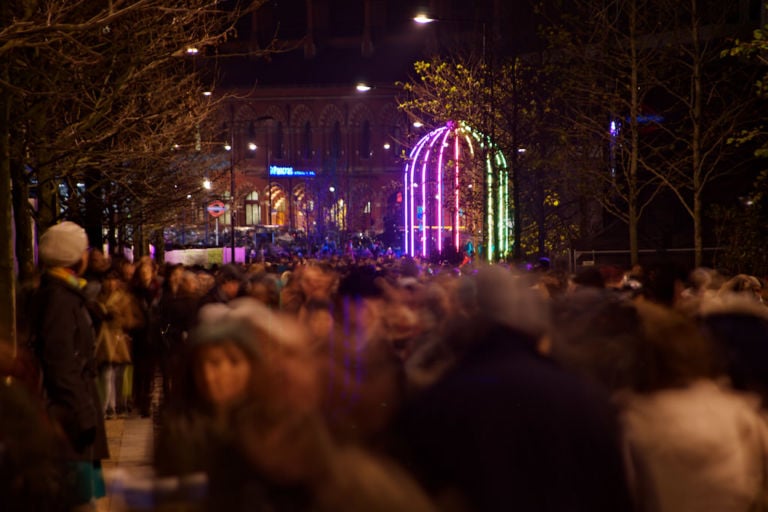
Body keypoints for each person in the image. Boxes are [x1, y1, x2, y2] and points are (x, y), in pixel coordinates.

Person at [30, 221, 109, 511]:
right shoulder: (60, 299)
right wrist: (83, 413)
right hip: (70, 416)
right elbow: (61, 361)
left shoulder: (64, 293)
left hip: (73, 410)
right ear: (72, 255)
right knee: (76, 499)